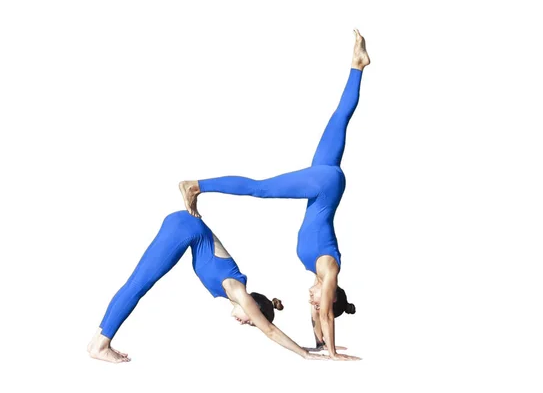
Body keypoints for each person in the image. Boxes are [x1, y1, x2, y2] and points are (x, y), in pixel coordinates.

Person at [178, 29, 370, 361]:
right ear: (332, 294)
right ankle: (197, 185)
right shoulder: (330, 269)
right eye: (320, 299)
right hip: (323, 185)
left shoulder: (319, 271)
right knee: (262, 188)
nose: (313, 302)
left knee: (340, 118)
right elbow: (325, 313)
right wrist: (335, 353)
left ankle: (358, 65)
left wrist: (320, 345)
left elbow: (318, 317)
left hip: (323, 184)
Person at [87, 210, 328, 363]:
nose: (246, 322)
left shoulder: (232, 290)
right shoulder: (238, 290)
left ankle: (98, 340)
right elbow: (271, 331)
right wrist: (305, 354)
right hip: (184, 229)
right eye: (252, 319)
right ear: (254, 306)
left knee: (137, 284)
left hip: (185, 226)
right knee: (138, 285)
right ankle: (100, 344)